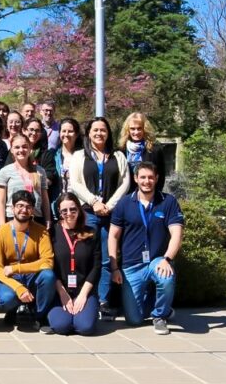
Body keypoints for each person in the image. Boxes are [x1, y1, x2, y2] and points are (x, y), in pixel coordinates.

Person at [108, 163, 183, 334]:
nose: (146, 181)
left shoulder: (168, 202)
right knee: (134, 320)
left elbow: (177, 235)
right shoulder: (125, 203)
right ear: (135, 179)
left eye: (150, 177)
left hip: (157, 260)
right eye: (142, 177)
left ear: (156, 179)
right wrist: (114, 268)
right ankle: (159, 305)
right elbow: (113, 236)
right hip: (131, 265)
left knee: (166, 276)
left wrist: (167, 259)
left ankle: (160, 316)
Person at [70, 117, 130, 320]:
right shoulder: (79, 156)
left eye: (103, 130)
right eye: (95, 130)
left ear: (108, 133)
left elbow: (125, 183)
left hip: (111, 215)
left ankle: (103, 302)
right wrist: (94, 201)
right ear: (88, 133)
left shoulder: (118, 156)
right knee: (85, 257)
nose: (99, 133)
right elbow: (75, 183)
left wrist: (109, 205)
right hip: (88, 213)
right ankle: (85, 297)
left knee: (107, 258)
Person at [0, 190, 55, 330]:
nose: (24, 210)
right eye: (20, 205)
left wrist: (16, 268)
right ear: (12, 208)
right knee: (6, 299)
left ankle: (39, 315)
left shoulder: (41, 231)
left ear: (32, 210)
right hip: (10, 278)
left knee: (48, 276)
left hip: (30, 275)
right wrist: (18, 287)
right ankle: (12, 310)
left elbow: (48, 262)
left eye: (28, 207)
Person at [47, 192, 100, 336]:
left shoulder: (91, 232)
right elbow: (50, 266)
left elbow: (96, 266)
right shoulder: (51, 233)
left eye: (73, 209)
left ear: (79, 209)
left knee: (85, 327)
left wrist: (83, 295)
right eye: (64, 210)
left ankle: (86, 312)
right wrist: (62, 293)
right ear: (59, 211)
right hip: (61, 290)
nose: (69, 213)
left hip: (84, 289)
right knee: (61, 326)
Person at [0, 134, 51, 226]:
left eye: (25, 147)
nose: (21, 150)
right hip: (13, 218)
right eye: (17, 147)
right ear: (12, 150)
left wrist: (48, 219)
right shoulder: (4, 172)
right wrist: (2, 224)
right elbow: (0, 201)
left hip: (36, 218)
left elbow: (45, 199)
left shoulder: (40, 171)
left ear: (30, 149)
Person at [119, 112, 167, 193]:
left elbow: (161, 176)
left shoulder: (154, 150)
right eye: (132, 129)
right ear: (127, 130)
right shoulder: (121, 150)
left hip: (149, 195)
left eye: (139, 128)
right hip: (126, 197)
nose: (136, 132)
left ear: (144, 129)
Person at [49, 117, 83, 217]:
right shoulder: (53, 156)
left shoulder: (83, 156)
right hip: (57, 207)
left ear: (76, 134)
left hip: (79, 206)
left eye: (70, 131)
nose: (66, 134)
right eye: (63, 131)